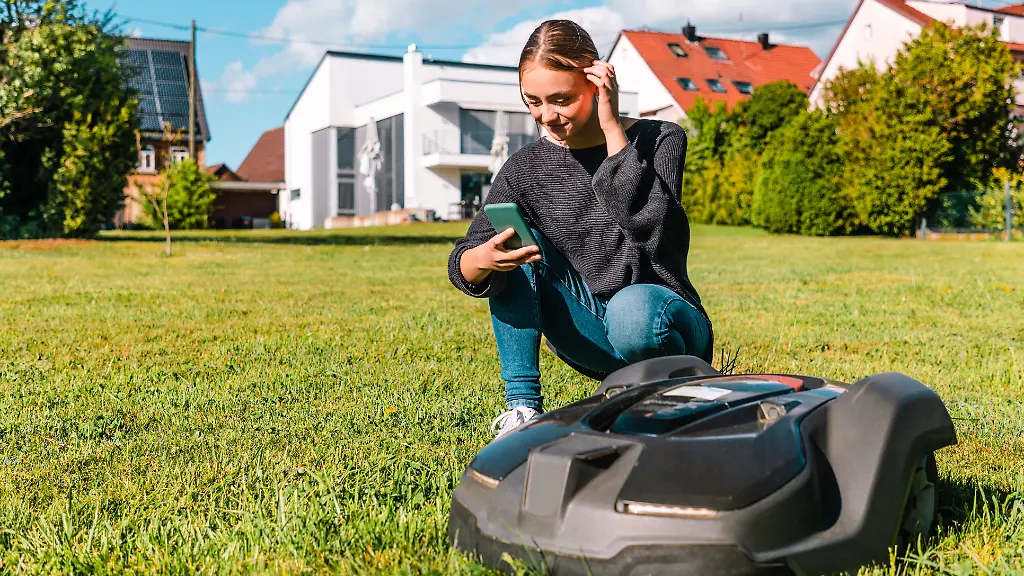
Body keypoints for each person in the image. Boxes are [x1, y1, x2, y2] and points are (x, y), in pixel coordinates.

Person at [447, 19, 713, 440]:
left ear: (597, 81)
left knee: (631, 311)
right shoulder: (523, 169)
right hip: (591, 332)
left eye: (561, 99)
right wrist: (482, 259)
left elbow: (654, 232)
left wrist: (611, 129)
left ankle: (675, 390)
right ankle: (523, 410)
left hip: (664, 322)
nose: (546, 116)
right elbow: (464, 259)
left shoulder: (662, 138)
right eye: (533, 101)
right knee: (514, 245)